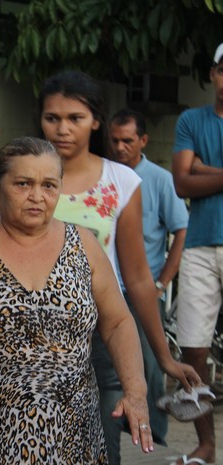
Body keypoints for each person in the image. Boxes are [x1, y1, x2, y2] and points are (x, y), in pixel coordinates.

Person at [38, 70, 200, 465]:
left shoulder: (121, 181)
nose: (62, 129)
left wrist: (162, 357)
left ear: (96, 120)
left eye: (74, 118)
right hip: (32, 339)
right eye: (52, 118)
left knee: (100, 449)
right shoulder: (25, 175)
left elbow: (137, 277)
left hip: (102, 336)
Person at [0, 136, 152, 464]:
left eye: (49, 185)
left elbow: (118, 322)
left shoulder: (83, 243)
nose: (37, 196)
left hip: (75, 431)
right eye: (23, 184)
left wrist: (135, 391)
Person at [110, 108, 188, 446]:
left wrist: (162, 282)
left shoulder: (158, 178)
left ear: (143, 140)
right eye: (114, 140)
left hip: (141, 288)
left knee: (153, 364)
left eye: (127, 140)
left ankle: (154, 434)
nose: (120, 147)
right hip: (105, 286)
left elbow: (181, 229)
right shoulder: (105, 174)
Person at [170, 42, 223, 465]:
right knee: (192, 347)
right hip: (201, 245)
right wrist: (195, 173)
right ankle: (206, 447)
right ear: (213, 74)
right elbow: (182, 185)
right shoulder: (192, 119)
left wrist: (207, 169)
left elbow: (194, 175)